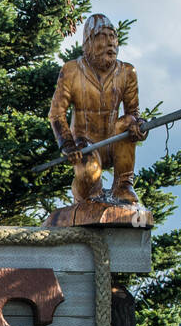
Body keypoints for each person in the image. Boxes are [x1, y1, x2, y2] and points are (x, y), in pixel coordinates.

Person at [47, 14, 149, 207]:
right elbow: (56, 113)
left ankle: (124, 185)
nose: (110, 43)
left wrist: (140, 127)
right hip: (84, 146)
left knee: (128, 122)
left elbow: (133, 113)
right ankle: (87, 192)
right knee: (90, 189)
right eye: (103, 36)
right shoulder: (71, 71)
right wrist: (67, 144)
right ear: (88, 43)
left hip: (114, 142)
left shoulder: (127, 73)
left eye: (113, 37)